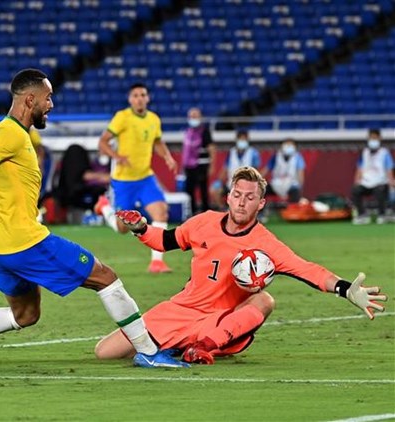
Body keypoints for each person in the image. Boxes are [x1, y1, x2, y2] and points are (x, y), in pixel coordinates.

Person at [0, 69, 188, 369]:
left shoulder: (7, 134)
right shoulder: (9, 133)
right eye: (48, 98)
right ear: (30, 100)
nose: (51, 105)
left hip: (4, 246)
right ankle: (148, 351)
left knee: (25, 315)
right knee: (105, 278)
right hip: (27, 242)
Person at [94, 166, 387, 365]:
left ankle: (203, 348)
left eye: (250, 197)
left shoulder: (266, 243)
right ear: (228, 197)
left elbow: (307, 270)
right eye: (237, 195)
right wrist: (142, 228)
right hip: (181, 310)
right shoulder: (204, 222)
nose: (242, 202)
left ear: (260, 204)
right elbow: (165, 240)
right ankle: (179, 345)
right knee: (105, 352)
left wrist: (346, 289)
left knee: (264, 300)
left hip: (219, 320)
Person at [94, 82, 178, 273]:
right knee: (123, 228)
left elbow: (158, 141)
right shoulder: (122, 117)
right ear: (130, 99)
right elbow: (103, 142)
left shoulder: (154, 119)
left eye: (142, 95)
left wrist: (167, 157)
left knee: (161, 212)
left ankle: (157, 263)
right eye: (136, 95)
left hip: (145, 177)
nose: (139, 99)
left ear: (147, 98)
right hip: (123, 181)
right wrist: (117, 157)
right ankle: (104, 207)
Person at [351, 129, 394, 225]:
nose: (373, 140)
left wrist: (391, 181)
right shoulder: (364, 152)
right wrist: (357, 180)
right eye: (371, 138)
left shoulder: (384, 153)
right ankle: (362, 215)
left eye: (375, 138)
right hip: (366, 182)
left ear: (379, 138)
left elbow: (389, 168)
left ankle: (382, 214)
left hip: (380, 182)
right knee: (355, 190)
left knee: (380, 191)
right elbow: (360, 168)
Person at [210, 130, 261, 210]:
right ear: (237, 140)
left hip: (247, 184)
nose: (242, 141)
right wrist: (219, 181)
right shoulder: (231, 152)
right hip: (231, 183)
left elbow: (256, 171)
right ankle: (224, 210)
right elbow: (225, 168)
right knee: (214, 190)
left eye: (244, 139)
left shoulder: (253, 153)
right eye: (241, 139)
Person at [181, 107, 216, 214]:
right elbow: (186, 151)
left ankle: (206, 212)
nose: (193, 118)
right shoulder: (188, 131)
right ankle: (191, 212)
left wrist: (212, 165)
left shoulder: (205, 131)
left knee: (203, 190)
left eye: (195, 116)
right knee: (189, 190)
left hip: (201, 165)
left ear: (200, 117)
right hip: (189, 167)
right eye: (191, 116)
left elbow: (211, 148)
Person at [261, 138, 305, 203]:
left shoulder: (298, 157)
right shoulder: (276, 156)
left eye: (290, 145)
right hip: (276, 184)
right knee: (262, 191)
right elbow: (266, 170)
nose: (288, 147)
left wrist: (300, 188)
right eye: (286, 145)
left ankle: (292, 209)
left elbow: (300, 174)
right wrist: (257, 180)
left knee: (295, 193)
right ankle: (261, 209)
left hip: (291, 184)